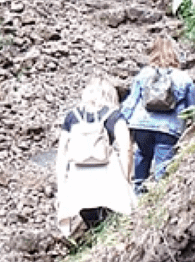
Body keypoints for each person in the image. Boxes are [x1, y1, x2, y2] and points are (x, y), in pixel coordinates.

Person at [55, 78, 136, 237]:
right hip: (107, 174)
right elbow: (126, 148)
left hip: (78, 176)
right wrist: (126, 178)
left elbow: (62, 152)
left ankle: (92, 239)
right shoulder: (114, 116)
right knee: (113, 217)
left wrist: (61, 183)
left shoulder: (72, 117)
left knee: (88, 216)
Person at [120, 36, 195, 193]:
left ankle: (138, 194)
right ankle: (156, 200)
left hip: (141, 126)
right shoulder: (184, 78)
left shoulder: (143, 74)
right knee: (162, 166)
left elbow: (130, 103)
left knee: (142, 154)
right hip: (168, 129)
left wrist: (120, 123)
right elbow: (193, 109)